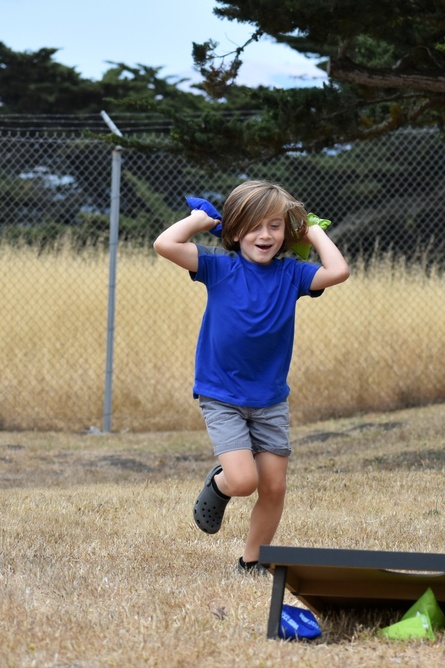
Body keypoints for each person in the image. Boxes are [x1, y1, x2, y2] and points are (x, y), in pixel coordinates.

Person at [154, 180, 350, 574]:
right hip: (222, 395)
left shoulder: (292, 275)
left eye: (275, 226)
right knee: (243, 482)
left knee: (274, 487)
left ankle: (252, 561)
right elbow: (165, 244)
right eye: (254, 226)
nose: (265, 235)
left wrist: (311, 230)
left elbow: (338, 270)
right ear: (235, 231)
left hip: (270, 399)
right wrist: (197, 221)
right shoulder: (217, 267)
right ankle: (220, 483)